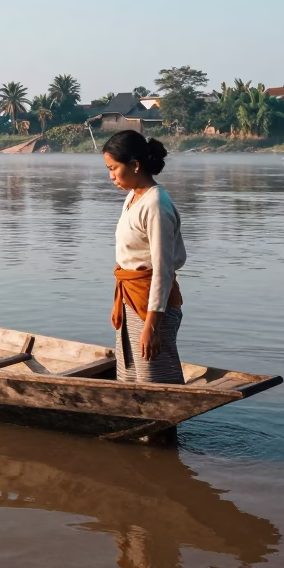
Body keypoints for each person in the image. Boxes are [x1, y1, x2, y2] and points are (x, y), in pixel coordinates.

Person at [102, 130, 187, 384]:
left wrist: (152, 326)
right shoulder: (133, 197)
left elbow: (163, 270)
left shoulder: (155, 204)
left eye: (113, 168)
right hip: (130, 298)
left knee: (155, 380)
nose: (111, 176)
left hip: (151, 305)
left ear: (135, 165)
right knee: (130, 376)